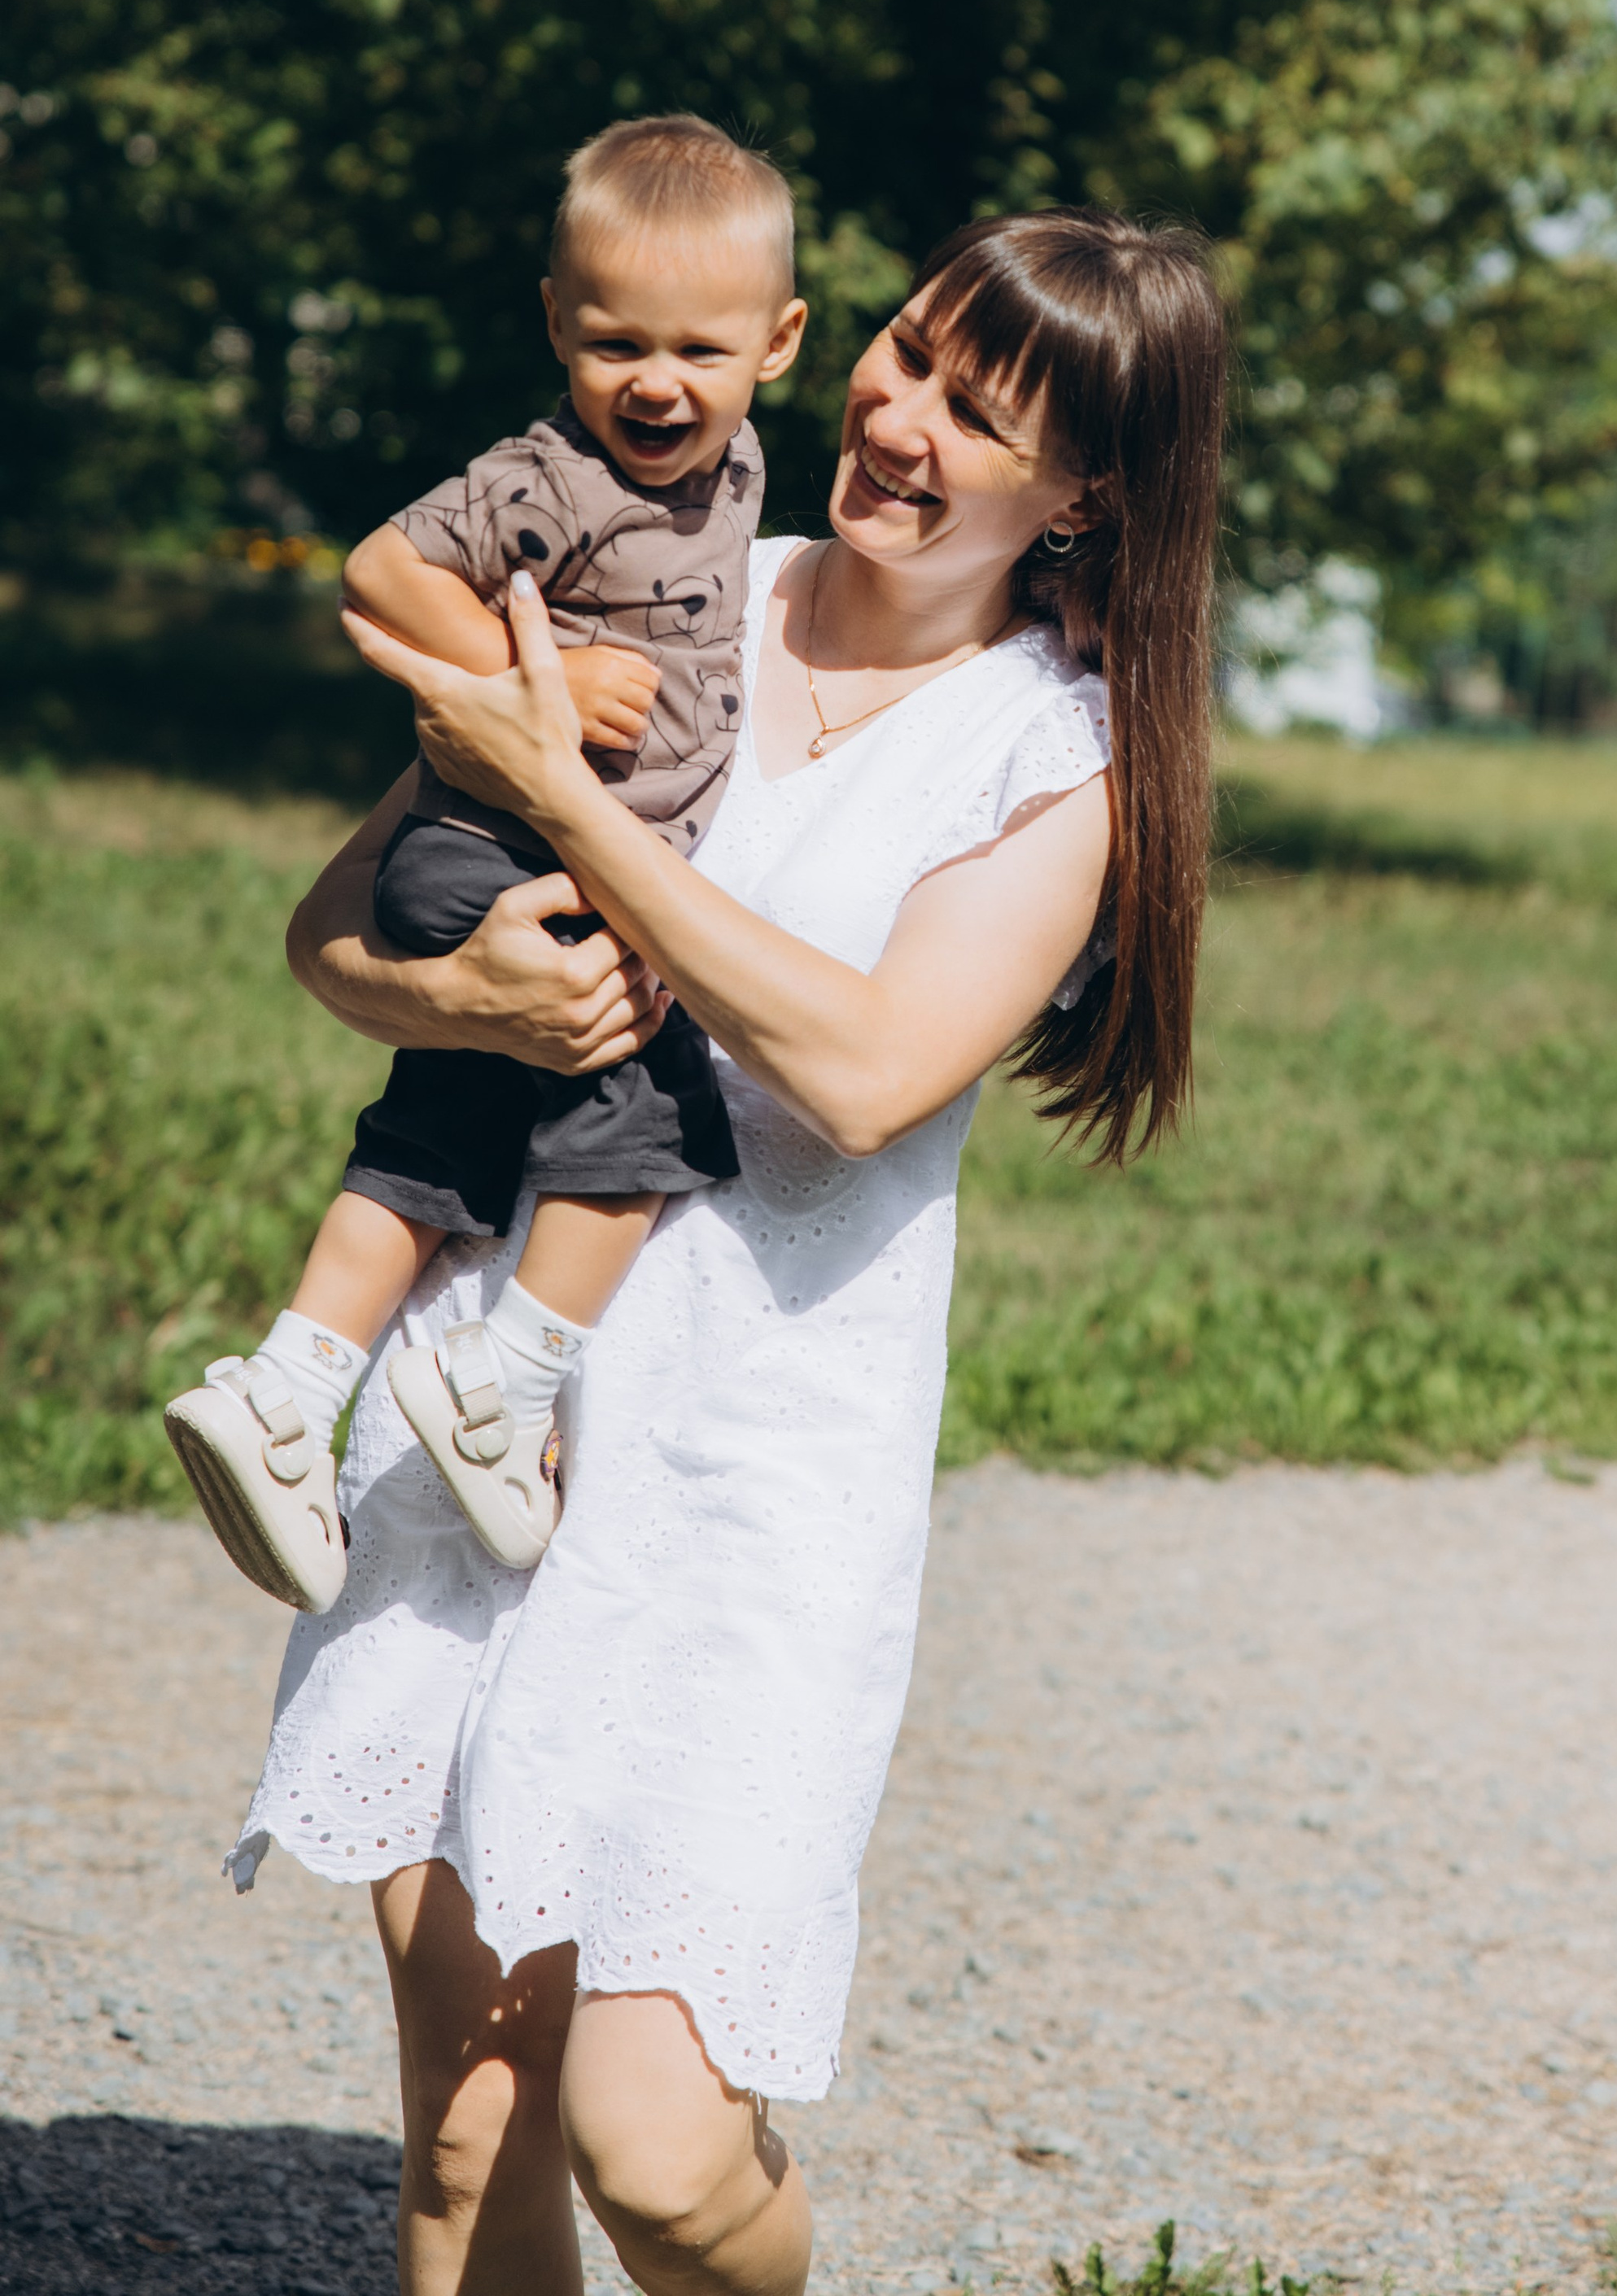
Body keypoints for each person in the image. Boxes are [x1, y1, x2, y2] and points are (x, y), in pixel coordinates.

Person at [233, 207, 1226, 2296]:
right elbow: (331, 939)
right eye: (900, 356)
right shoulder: (658, 576)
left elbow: (862, 1071)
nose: (898, 419)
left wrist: (572, 816)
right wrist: (471, 999)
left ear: (1084, 499)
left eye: (980, 412)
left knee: (661, 2156)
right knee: (460, 2150)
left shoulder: (1058, 759)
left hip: (748, 1473)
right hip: (487, 1398)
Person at [164, 115, 806, 1601]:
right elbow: (383, 574)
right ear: (553, 328)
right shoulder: (552, 477)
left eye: (700, 352)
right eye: (613, 342)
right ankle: (504, 1387)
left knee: (438, 1133)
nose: (657, 381)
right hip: (491, 854)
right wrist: (546, 685)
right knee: (653, 1120)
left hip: (524, 870)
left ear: (776, 345)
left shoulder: (743, 468)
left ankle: (285, 1389)